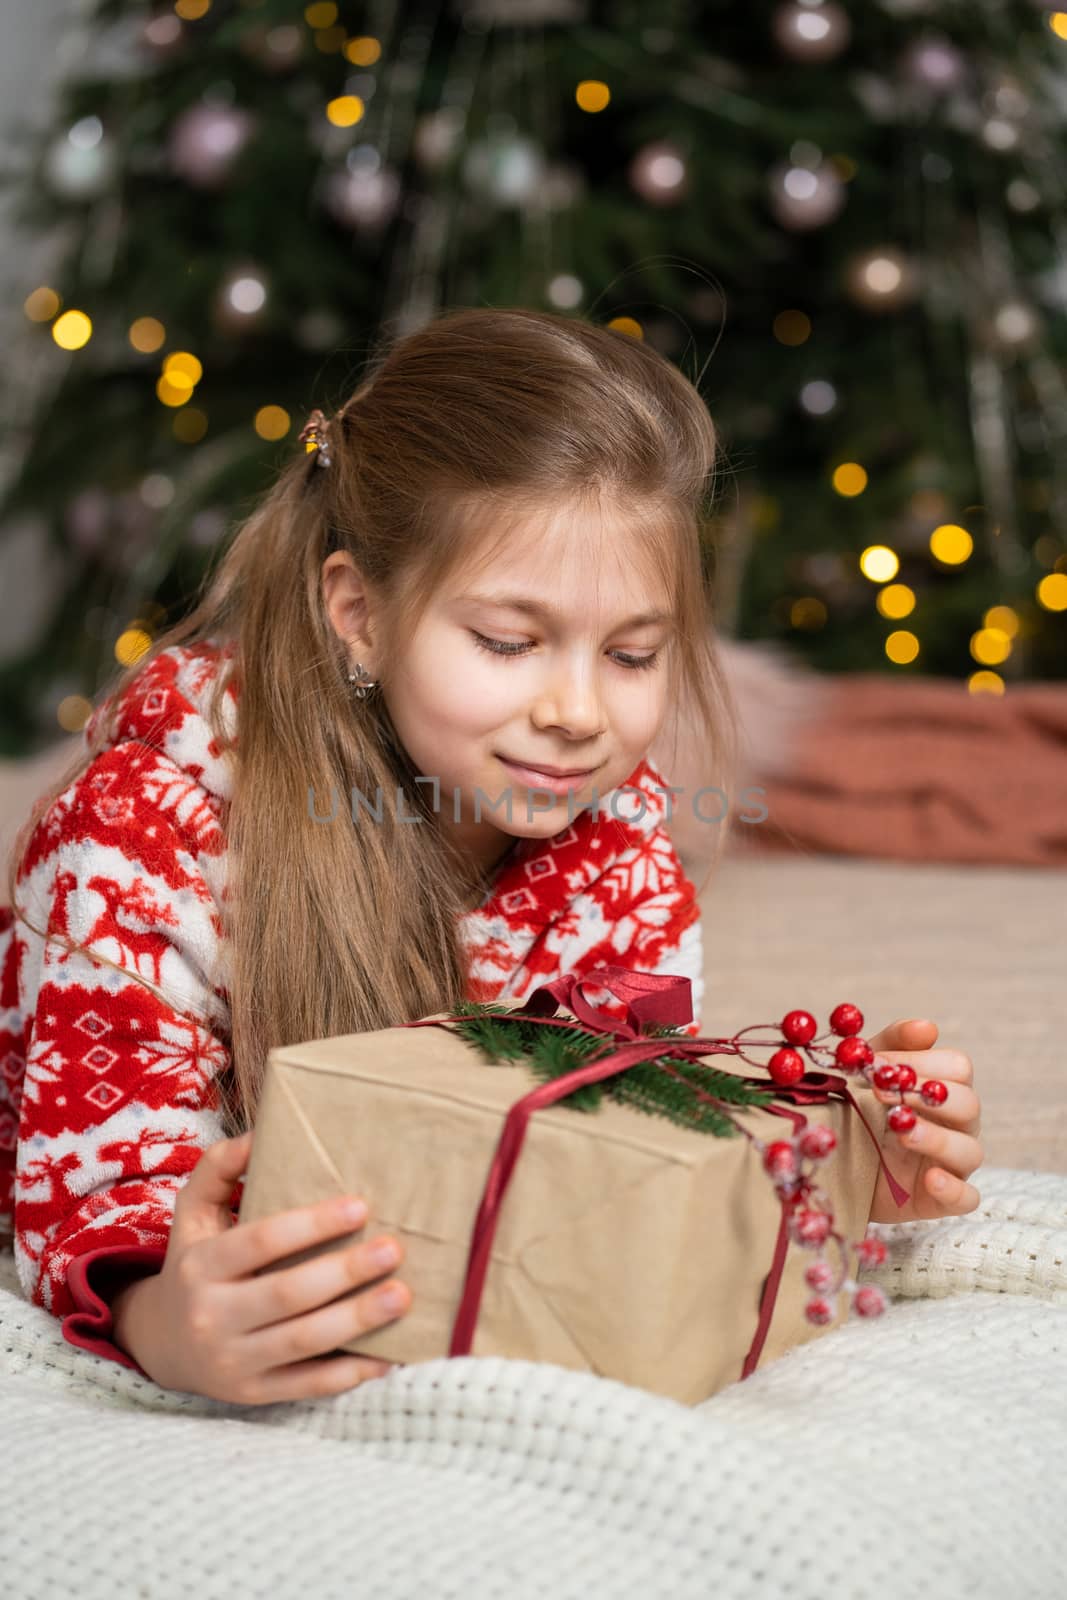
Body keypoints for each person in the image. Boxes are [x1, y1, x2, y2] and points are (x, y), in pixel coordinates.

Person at [0, 306, 982, 1408]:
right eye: (508, 642)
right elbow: (89, 1187)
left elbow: (606, 1121)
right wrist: (158, 1316)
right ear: (359, 614)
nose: (574, 712)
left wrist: (821, 1164)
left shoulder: (614, 834)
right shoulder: (130, 840)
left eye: (630, 653)